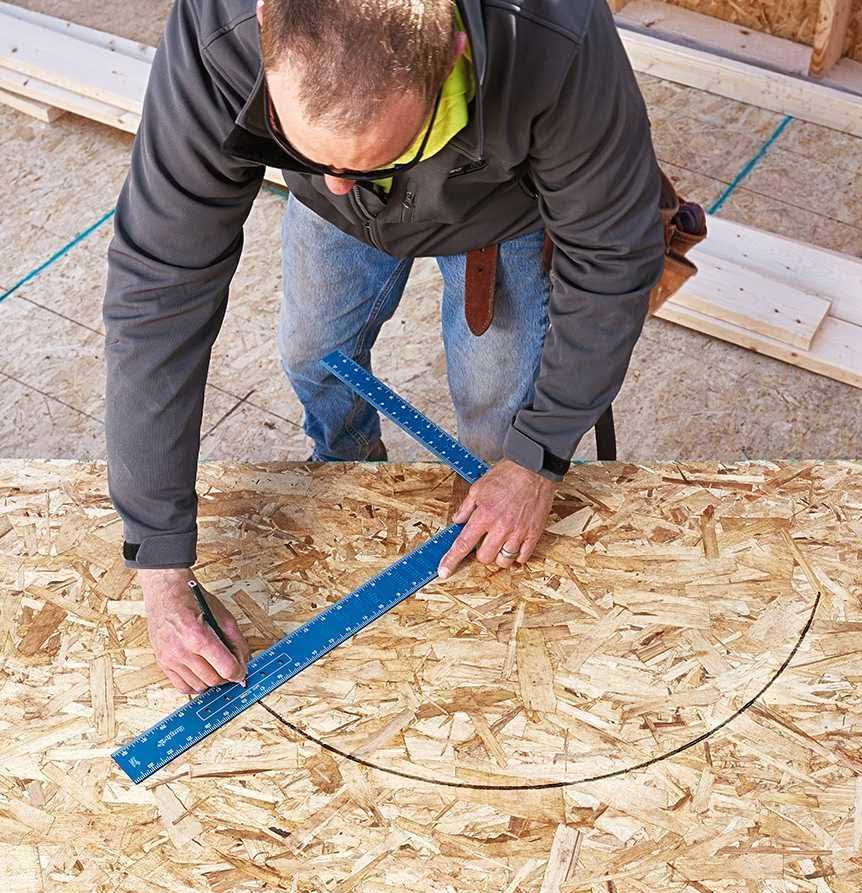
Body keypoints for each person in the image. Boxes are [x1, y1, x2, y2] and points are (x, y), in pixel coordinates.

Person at [103, 0, 668, 695]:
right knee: (311, 353)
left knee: (497, 415)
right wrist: (160, 568)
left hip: (500, 209)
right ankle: (348, 463)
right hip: (330, 212)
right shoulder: (219, 23)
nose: (341, 180)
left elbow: (612, 256)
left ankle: (487, 514)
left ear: (455, 52)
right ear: (265, 20)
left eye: (375, 154)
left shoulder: (554, 34)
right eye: (311, 149)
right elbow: (160, 288)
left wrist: (538, 459)